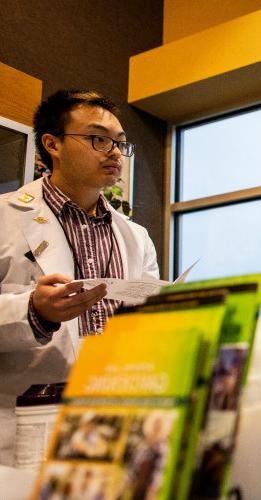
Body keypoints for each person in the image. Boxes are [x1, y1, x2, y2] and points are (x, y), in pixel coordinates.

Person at [0, 89, 159, 464]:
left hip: (113, 419)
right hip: (26, 422)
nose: (115, 152)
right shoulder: (5, 218)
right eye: (98, 139)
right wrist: (32, 311)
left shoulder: (135, 237)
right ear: (52, 144)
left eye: (120, 143)